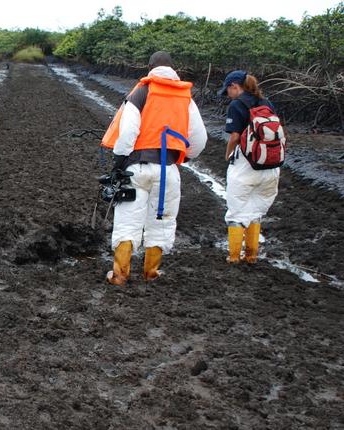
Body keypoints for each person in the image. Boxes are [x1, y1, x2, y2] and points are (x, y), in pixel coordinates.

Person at [100, 51, 207, 286]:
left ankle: (120, 275)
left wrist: (118, 162)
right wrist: (181, 157)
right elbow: (199, 139)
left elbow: (128, 132)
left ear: (149, 68)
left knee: (128, 221)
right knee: (162, 222)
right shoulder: (185, 98)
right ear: (173, 68)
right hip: (168, 171)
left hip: (137, 169)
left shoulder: (142, 91)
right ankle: (151, 273)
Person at [219, 70, 281, 264]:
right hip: (270, 166)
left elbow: (235, 137)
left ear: (234, 86)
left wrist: (227, 154)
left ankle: (234, 257)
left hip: (246, 166)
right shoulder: (267, 102)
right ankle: (252, 255)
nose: (227, 94)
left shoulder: (236, 105)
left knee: (237, 212)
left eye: (227, 90)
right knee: (255, 210)